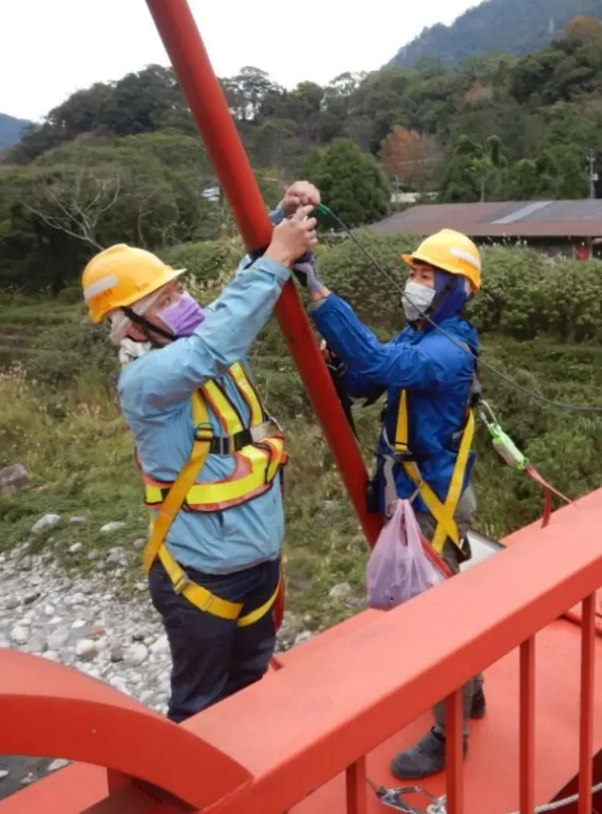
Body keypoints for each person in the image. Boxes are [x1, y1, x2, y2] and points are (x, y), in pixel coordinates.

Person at [80, 190, 318, 723]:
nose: (183, 302)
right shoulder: (147, 380)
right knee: (201, 706)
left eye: (178, 289)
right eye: (164, 300)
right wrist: (277, 256)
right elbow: (216, 343)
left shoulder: (192, 342)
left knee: (251, 688)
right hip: (203, 576)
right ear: (130, 326)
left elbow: (234, 306)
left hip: (259, 561)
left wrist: (278, 223)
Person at [290, 227, 486, 780]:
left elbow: (377, 364)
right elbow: (367, 380)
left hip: (431, 501)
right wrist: (341, 362)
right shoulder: (420, 334)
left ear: (455, 290)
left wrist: (320, 295)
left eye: (426, 276)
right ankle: (471, 694)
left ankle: (449, 734)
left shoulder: (447, 350)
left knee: (434, 622)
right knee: (442, 604)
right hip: (417, 494)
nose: (414, 284)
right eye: (414, 273)